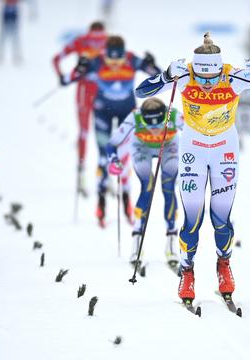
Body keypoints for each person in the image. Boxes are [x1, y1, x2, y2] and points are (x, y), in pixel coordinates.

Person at [134, 33, 250, 301]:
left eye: (213, 78)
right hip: (193, 148)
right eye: (201, 78)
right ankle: (187, 272)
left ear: (221, 69)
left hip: (224, 149)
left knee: (221, 217)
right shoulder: (184, 76)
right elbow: (140, 92)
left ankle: (224, 265)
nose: (206, 85)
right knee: (193, 217)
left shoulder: (234, 76)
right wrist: (165, 75)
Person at [62, 35, 160, 228]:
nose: (115, 63)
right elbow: (67, 80)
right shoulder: (96, 61)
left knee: (126, 155)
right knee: (104, 157)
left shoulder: (131, 59)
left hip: (127, 113)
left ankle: (126, 199)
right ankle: (101, 201)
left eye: (119, 59)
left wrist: (152, 65)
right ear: (105, 54)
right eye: (111, 59)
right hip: (102, 113)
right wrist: (79, 68)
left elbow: (159, 76)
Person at [106, 98, 183, 269]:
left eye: (159, 123)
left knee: (168, 186)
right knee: (147, 186)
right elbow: (111, 144)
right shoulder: (135, 116)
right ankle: (137, 240)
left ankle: (171, 241)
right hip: (142, 148)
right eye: (150, 123)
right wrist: (114, 160)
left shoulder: (174, 115)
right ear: (143, 116)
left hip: (169, 146)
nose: (155, 128)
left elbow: (198, 134)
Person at [53, 22, 107, 197]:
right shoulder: (88, 41)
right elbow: (56, 59)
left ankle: (100, 175)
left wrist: (63, 77)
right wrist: (63, 77)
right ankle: (88, 175)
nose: (97, 41)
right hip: (92, 91)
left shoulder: (83, 40)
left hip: (95, 92)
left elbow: (56, 59)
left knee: (94, 133)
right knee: (92, 132)